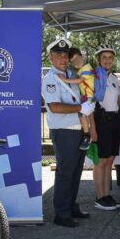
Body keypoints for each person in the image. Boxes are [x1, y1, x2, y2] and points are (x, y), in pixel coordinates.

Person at [41, 37, 95, 228]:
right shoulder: (50, 79)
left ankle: (71, 206)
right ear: (51, 58)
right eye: (58, 55)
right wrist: (80, 108)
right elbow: (55, 107)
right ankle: (61, 213)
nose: (63, 59)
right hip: (63, 131)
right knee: (65, 172)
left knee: (75, 171)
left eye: (65, 55)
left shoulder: (72, 73)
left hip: (78, 129)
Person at [92, 45, 120, 211]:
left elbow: (118, 98)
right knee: (101, 161)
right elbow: (89, 103)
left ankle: (107, 194)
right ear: (98, 59)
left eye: (110, 57)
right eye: (104, 57)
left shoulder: (113, 77)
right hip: (101, 120)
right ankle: (100, 197)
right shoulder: (94, 77)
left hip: (114, 120)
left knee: (110, 160)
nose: (107, 60)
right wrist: (91, 128)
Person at [56, 47, 95, 150]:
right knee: (82, 115)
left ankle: (87, 135)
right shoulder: (81, 69)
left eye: (77, 59)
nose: (76, 63)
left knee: (82, 115)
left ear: (82, 57)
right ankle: (86, 132)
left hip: (88, 97)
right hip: (86, 97)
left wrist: (65, 80)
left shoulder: (86, 69)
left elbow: (79, 80)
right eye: (73, 62)